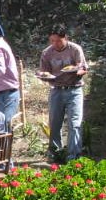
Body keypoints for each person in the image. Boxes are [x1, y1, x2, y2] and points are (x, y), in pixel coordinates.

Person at [38, 24, 88, 161]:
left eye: (58, 41)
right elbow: (44, 72)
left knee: (75, 123)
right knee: (55, 123)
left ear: (65, 38)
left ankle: (73, 156)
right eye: (52, 41)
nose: (55, 44)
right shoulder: (47, 52)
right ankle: (55, 153)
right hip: (56, 89)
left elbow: (83, 68)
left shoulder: (75, 49)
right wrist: (43, 76)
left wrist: (78, 71)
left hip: (74, 89)